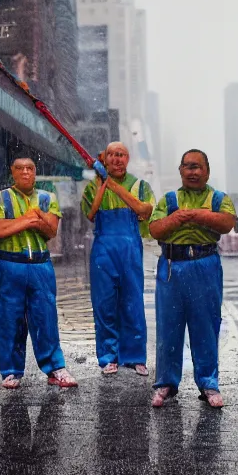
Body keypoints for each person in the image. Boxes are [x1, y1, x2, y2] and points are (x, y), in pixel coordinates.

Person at [149, 149, 236, 408]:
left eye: (198, 167)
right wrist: (177, 218)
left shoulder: (218, 198)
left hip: (204, 264)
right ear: (180, 171)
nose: (193, 171)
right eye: (187, 166)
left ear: (207, 171)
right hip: (172, 266)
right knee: (169, 326)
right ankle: (166, 382)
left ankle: (209, 383)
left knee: (206, 325)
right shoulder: (168, 200)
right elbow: (155, 229)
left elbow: (227, 223)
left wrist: (197, 215)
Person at [0, 156, 77, 389]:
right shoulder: (0, 197)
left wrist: (26, 222)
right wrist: (31, 219)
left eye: (30, 168)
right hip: (9, 264)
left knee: (46, 317)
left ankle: (55, 367)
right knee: (9, 318)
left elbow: (51, 231)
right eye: (20, 169)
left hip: (40, 264)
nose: (25, 172)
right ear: (12, 172)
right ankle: (11, 371)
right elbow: (0, 230)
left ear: (35, 172)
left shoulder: (48, 198)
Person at [81, 142, 155, 376]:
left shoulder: (140, 186)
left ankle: (135, 356)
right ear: (104, 158)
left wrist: (112, 185)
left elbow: (145, 211)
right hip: (103, 249)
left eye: (121, 155)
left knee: (133, 302)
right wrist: (103, 185)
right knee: (104, 304)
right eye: (112, 155)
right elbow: (91, 215)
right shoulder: (92, 188)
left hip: (131, 249)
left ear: (128, 158)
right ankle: (108, 357)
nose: (117, 159)